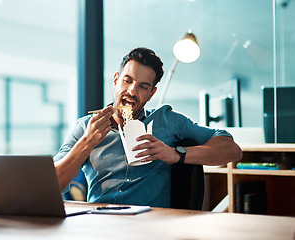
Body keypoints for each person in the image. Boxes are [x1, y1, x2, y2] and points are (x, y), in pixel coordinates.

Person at [54, 47, 242, 208]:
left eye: (143, 87)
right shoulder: (86, 127)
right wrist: (87, 142)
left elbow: (232, 151)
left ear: (151, 94)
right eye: (127, 81)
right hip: (102, 224)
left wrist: (176, 154)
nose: (132, 91)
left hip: (152, 225)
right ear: (115, 80)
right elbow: (53, 185)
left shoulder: (166, 120)